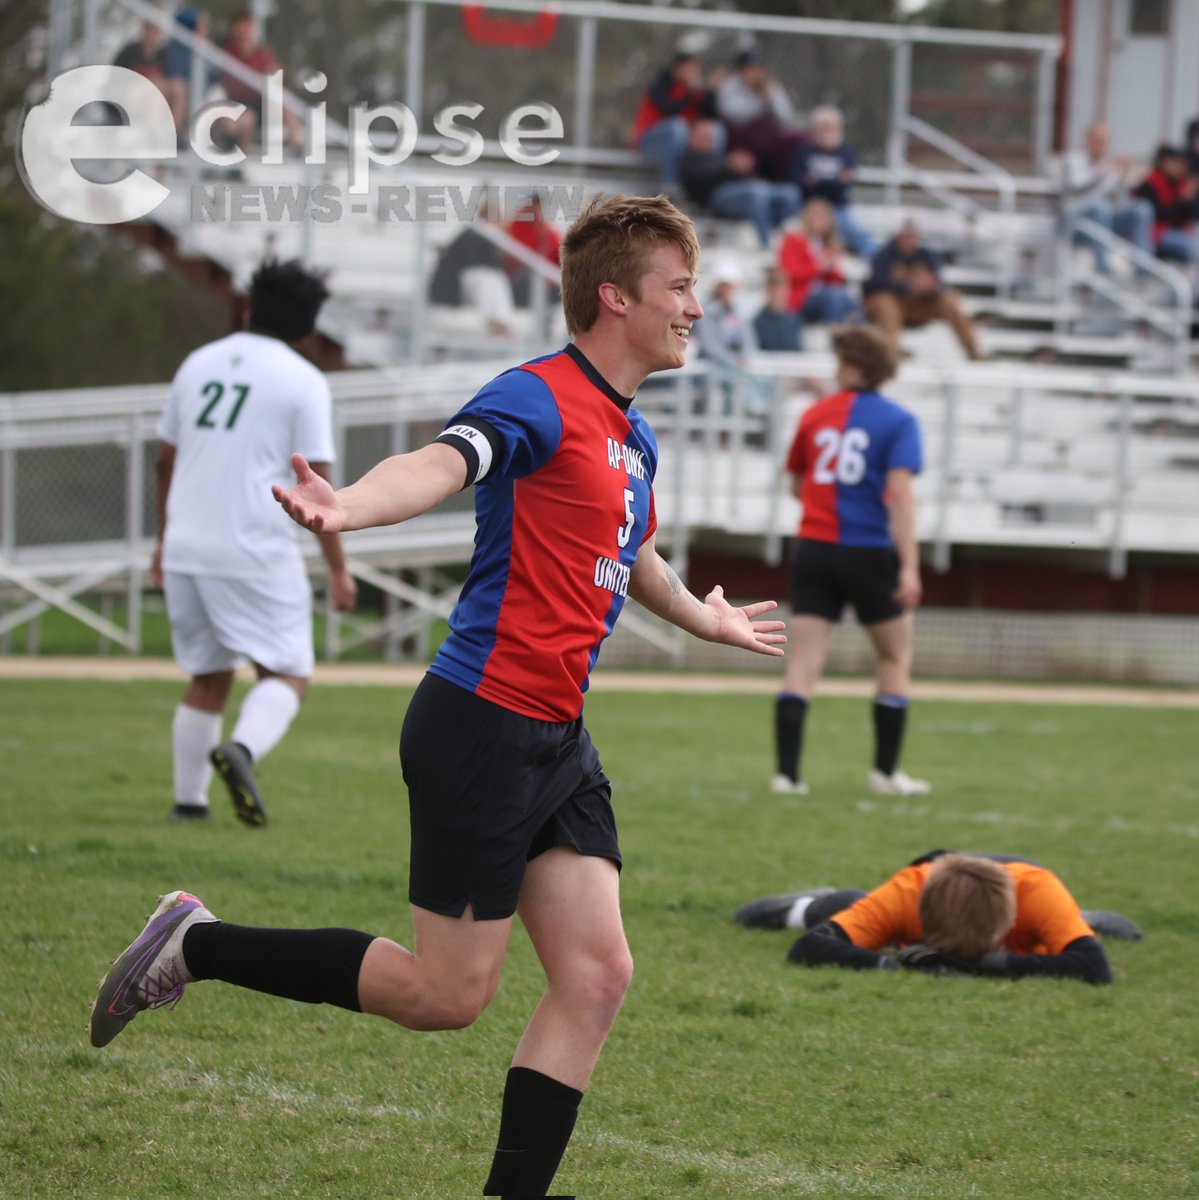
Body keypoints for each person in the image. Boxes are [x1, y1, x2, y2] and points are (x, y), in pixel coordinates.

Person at [90, 195, 787, 1200]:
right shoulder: (537, 396)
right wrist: (347, 506)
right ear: (613, 297)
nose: (696, 307)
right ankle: (195, 945)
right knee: (444, 996)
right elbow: (442, 461)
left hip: (554, 741)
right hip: (481, 725)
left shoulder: (632, 440)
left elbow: (631, 552)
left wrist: (699, 616)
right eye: (678, 287)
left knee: (596, 976)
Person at [150, 259, 357, 826]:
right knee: (288, 673)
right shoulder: (303, 379)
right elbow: (316, 484)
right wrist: (338, 570)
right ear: (309, 328)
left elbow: (164, 462)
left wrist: (163, 543)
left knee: (208, 676)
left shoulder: (197, 364)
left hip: (189, 544)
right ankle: (242, 750)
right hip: (253, 548)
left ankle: (187, 808)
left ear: (247, 306)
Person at [773, 325, 928, 798]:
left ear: (855, 366)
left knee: (803, 663)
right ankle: (884, 773)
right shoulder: (899, 420)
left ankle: (788, 776)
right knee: (895, 656)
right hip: (868, 551)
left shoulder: (815, 414)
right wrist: (909, 566)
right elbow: (899, 495)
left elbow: (797, 484)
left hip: (814, 548)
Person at [733, 850, 1132, 985]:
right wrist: (890, 963)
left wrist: (980, 964)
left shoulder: (1036, 892)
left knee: (1060, 928)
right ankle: (804, 904)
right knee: (850, 906)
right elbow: (808, 947)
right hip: (939, 870)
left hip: (1023, 878)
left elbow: (1095, 968)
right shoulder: (909, 893)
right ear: (923, 921)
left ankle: (1080, 921)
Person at [862, 220, 986, 361]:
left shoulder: (927, 256)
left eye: (913, 236)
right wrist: (908, 286)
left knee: (949, 299)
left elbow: (940, 284)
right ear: (898, 236)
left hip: (920, 304)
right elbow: (875, 285)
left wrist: (929, 287)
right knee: (885, 303)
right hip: (893, 304)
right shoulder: (884, 256)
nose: (910, 241)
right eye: (907, 236)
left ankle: (972, 349)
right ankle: (891, 351)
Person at [678, 118, 801, 247]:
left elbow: (744, 176)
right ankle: (767, 243)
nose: (708, 140)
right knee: (755, 192)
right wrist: (729, 165)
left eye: (710, 137)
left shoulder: (718, 155)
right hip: (714, 198)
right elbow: (698, 178)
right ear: (691, 137)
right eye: (703, 136)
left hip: (740, 189)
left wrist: (744, 168)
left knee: (789, 192)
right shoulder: (687, 158)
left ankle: (788, 242)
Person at [1056, 120, 1153, 274]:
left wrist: (1124, 176)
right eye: (1098, 139)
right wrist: (1103, 171)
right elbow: (1076, 185)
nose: (1101, 144)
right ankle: (1103, 267)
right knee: (1099, 208)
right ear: (1088, 140)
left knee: (1141, 209)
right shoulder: (1073, 159)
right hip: (1074, 224)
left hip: (1103, 224)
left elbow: (1119, 201)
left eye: (1105, 140)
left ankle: (1144, 268)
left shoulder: (1109, 165)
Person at [791, 105, 877, 259]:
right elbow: (800, 182)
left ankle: (876, 260)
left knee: (855, 232)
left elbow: (845, 185)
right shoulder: (804, 152)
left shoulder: (846, 153)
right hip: (808, 206)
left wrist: (817, 182)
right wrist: (833, 181)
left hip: (837, 207)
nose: (828, 133)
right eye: (824, 128)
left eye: (832, 128)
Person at [628, 51, 721, 192]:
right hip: (650, 140)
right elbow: (669, 110)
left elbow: (711, 115)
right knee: (677, 126)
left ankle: (710, 185)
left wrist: (711, 91)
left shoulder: (694, 91)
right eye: (687, 69)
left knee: (716, 129)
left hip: (682, 143)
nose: (691, 74)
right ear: (677, 69)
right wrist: (691, 92)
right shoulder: (661, 85)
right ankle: (670, 184)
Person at [715, 47, 805, 183]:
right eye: (748, 68)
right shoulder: (730, 85)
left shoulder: (770, 85)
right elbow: (731, 114)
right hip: (741, 134)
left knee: (800, 139)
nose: (753, 72)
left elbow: (786, 118)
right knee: (755, 143)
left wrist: (771, 99)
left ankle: (789, 181)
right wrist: (758, 101)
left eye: (756, 67)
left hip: (769, 133)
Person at [216, 9, 300, 152]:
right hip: (237, 102)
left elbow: (275, 75)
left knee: (286, 101)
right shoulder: (227, 52)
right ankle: (237, 163)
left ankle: (297, 146)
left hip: (259, 101)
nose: (245, 32)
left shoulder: (262, 52)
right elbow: (228, 83)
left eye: (248, 28)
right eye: (242, 28)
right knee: (247, 119)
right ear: (235, 29)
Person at [777, 197, 859, 325]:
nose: (819, 221)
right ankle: (837, 339)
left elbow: (836, 283)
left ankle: (860, 341)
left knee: (851, 301)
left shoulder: (827, 245)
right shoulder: (792, 240)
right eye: (816, 216)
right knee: (835, 296)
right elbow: (787, 273)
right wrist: (818, 267)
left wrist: (833, 267)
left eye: (823, 217)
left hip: (825, 298)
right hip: (800, 298)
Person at [1133, 144, 1199, 265]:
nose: (1181, 168)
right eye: (1178, 164)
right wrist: (1182, 201)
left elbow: (1192, 215)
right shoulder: (1150, 183)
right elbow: (1158, 215)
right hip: (1154, 234)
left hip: (1177, 232)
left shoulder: (1180, 183)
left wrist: (1191, 199)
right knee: (1191, 247)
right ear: (1166, 163)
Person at [696, 259, 759, 366]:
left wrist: (744, 357)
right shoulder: (705, 311)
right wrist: (733, 360)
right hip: (712, 370)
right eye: (724, 286)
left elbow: (748, 339)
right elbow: (709, 344)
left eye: (730, 286)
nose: (727, 290)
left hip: (734, 369)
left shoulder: (739, 311)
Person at [753, 268, 802, 353]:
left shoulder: (794, 320)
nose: (780, 295)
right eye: (776, 290)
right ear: (768, 290)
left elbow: (796, 351)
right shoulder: (758, 322)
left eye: (783, 290)